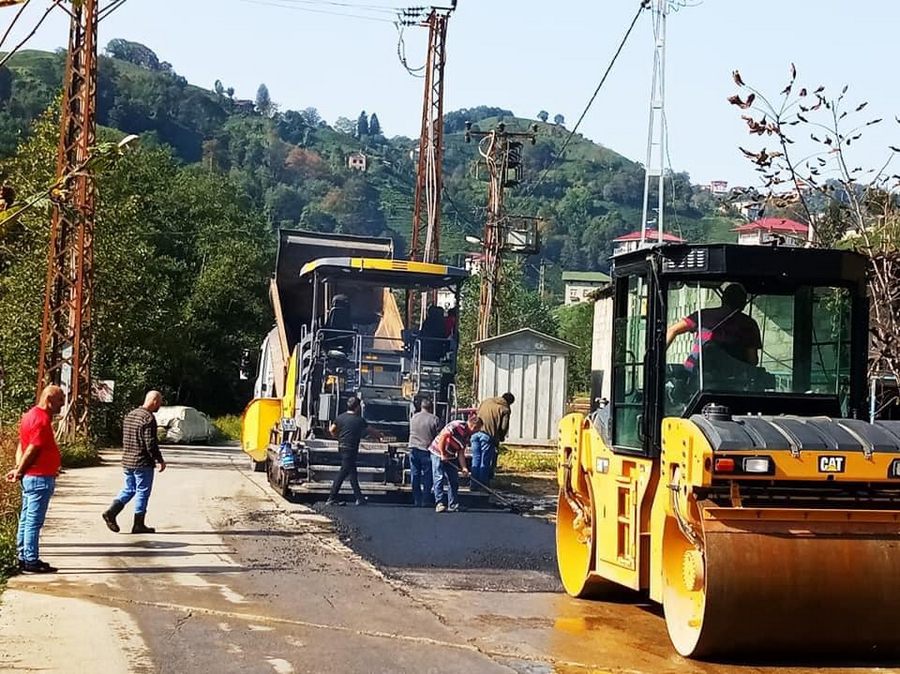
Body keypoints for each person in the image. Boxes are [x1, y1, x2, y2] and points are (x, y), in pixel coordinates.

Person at [6, 385, 66, 573]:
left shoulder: (29, 415)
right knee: (33, 521)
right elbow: (32, 448)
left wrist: (18, 469)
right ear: (49, 399)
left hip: (31, 476)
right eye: (60, 400)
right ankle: (31, 560)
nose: (62, 404)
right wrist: (20, 470)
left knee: (26, 518)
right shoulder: (41, 419)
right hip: (39, 478)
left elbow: (21, 446)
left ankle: (23, 556)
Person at [102, 391, 167, 534]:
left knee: (129, 489)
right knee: (143, 492)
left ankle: (111, 512)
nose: (160, 406)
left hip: (127, 460)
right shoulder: (148, 418)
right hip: (142, 462)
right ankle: (139, 524)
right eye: (160, 403)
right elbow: (150, 443)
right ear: (154, 401)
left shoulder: (130, 415)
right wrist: (159, 459)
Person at [666, 283, 762, 371]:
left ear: (723, 299)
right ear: (743, 304)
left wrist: (656, 359)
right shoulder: (749, 324)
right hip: (731, 380)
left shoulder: (703, 315)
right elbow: (752, 360)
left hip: (695, 375)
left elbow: (673, 330)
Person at [325, 396, 380, 506]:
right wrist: (380, 436)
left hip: (341, 447)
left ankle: (359, 498)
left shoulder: (340, 417)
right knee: (343, 473)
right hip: (351, 449)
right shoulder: (359, 420)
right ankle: (331, 497)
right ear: (357, 407)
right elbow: (370, 430)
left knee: (352, 474)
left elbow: (332, 429)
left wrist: (337, 436)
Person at [430, 414, 482, 513]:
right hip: (437, 451)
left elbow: (461, 452)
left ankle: (453, 504)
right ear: (473, 426)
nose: (477, 432)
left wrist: (464, 467)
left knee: (454, 480)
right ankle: (439, 503)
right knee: (439, 477)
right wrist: (442, 454)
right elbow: (443, 436)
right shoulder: (456, 425)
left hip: (451, 454)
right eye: (477, 430)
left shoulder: (467, 436)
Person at [474, 392, 515, 488]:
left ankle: (474, 484)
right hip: (488, 436)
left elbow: (477, 415)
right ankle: (483, 486)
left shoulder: (486, 401)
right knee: (485, 462)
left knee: (476, 460)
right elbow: (504, 427)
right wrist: (501, 437)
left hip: (475, 433)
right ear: (509, 402)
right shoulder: (505, 409)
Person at [408, 398, 441, 507]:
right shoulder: (434, 419)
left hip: (413, 448)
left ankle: (416, 499)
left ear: (421, 407)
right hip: (426, 449)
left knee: (415, 474)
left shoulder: (413, 417)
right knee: (428, 475)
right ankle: (425, 499)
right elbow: (439, 436)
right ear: (431, 408)